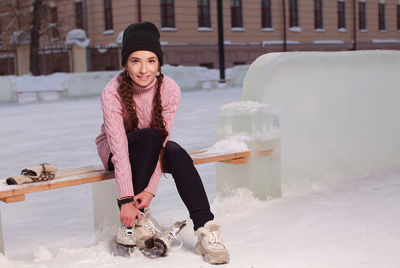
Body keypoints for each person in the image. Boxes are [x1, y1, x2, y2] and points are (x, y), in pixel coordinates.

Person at [95, 21, 229, 264]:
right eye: (135, 60)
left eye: (151, 60)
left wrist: (150, 190)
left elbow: (162, 142)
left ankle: (205, 228)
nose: (143, 69)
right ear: (125, 63)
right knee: (148, 136)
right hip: (116, 150)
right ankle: (139, 218)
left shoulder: (170, 89)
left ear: (159, 63)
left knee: (176, 151)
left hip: (152, 146)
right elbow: (121, 150)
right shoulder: (111, 92)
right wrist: (126, 200)